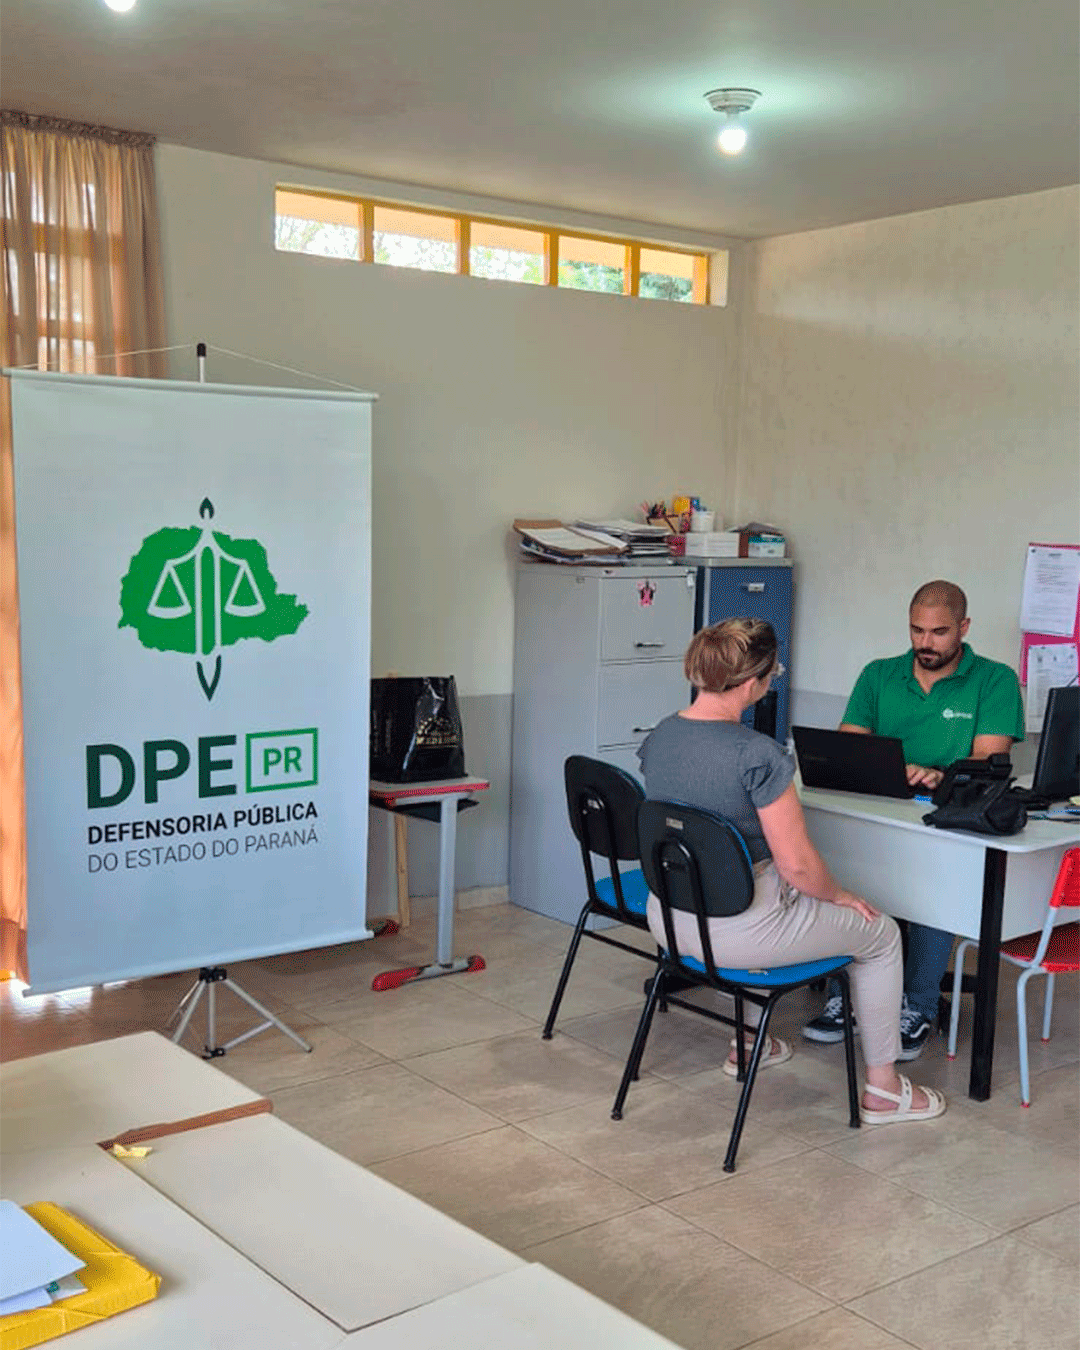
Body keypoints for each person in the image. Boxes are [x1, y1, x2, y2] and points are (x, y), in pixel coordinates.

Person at [637, 617, 945, 1125]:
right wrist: (841, 895)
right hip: (739, 934)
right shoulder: (758, 755)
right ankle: (885, 1090)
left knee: (762, 890)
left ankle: (748, 1042)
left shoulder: (662, 735)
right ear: (753, 683)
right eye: (772, 674)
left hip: (671, 920)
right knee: (881, 934)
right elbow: (799, 866)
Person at [802, 580, 1025, 1057]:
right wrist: (891, 769)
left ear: (964, 628)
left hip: (947, 820)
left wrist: (939, 775)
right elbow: (849, 747)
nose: (926, 642)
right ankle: (847, 997)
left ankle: (918, 1006)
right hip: (878, 812)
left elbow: (989, 760)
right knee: (846, 881)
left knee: (931, 891)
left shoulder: (995, 680)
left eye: (939, 632)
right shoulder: (879, 674)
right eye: (917, 630)